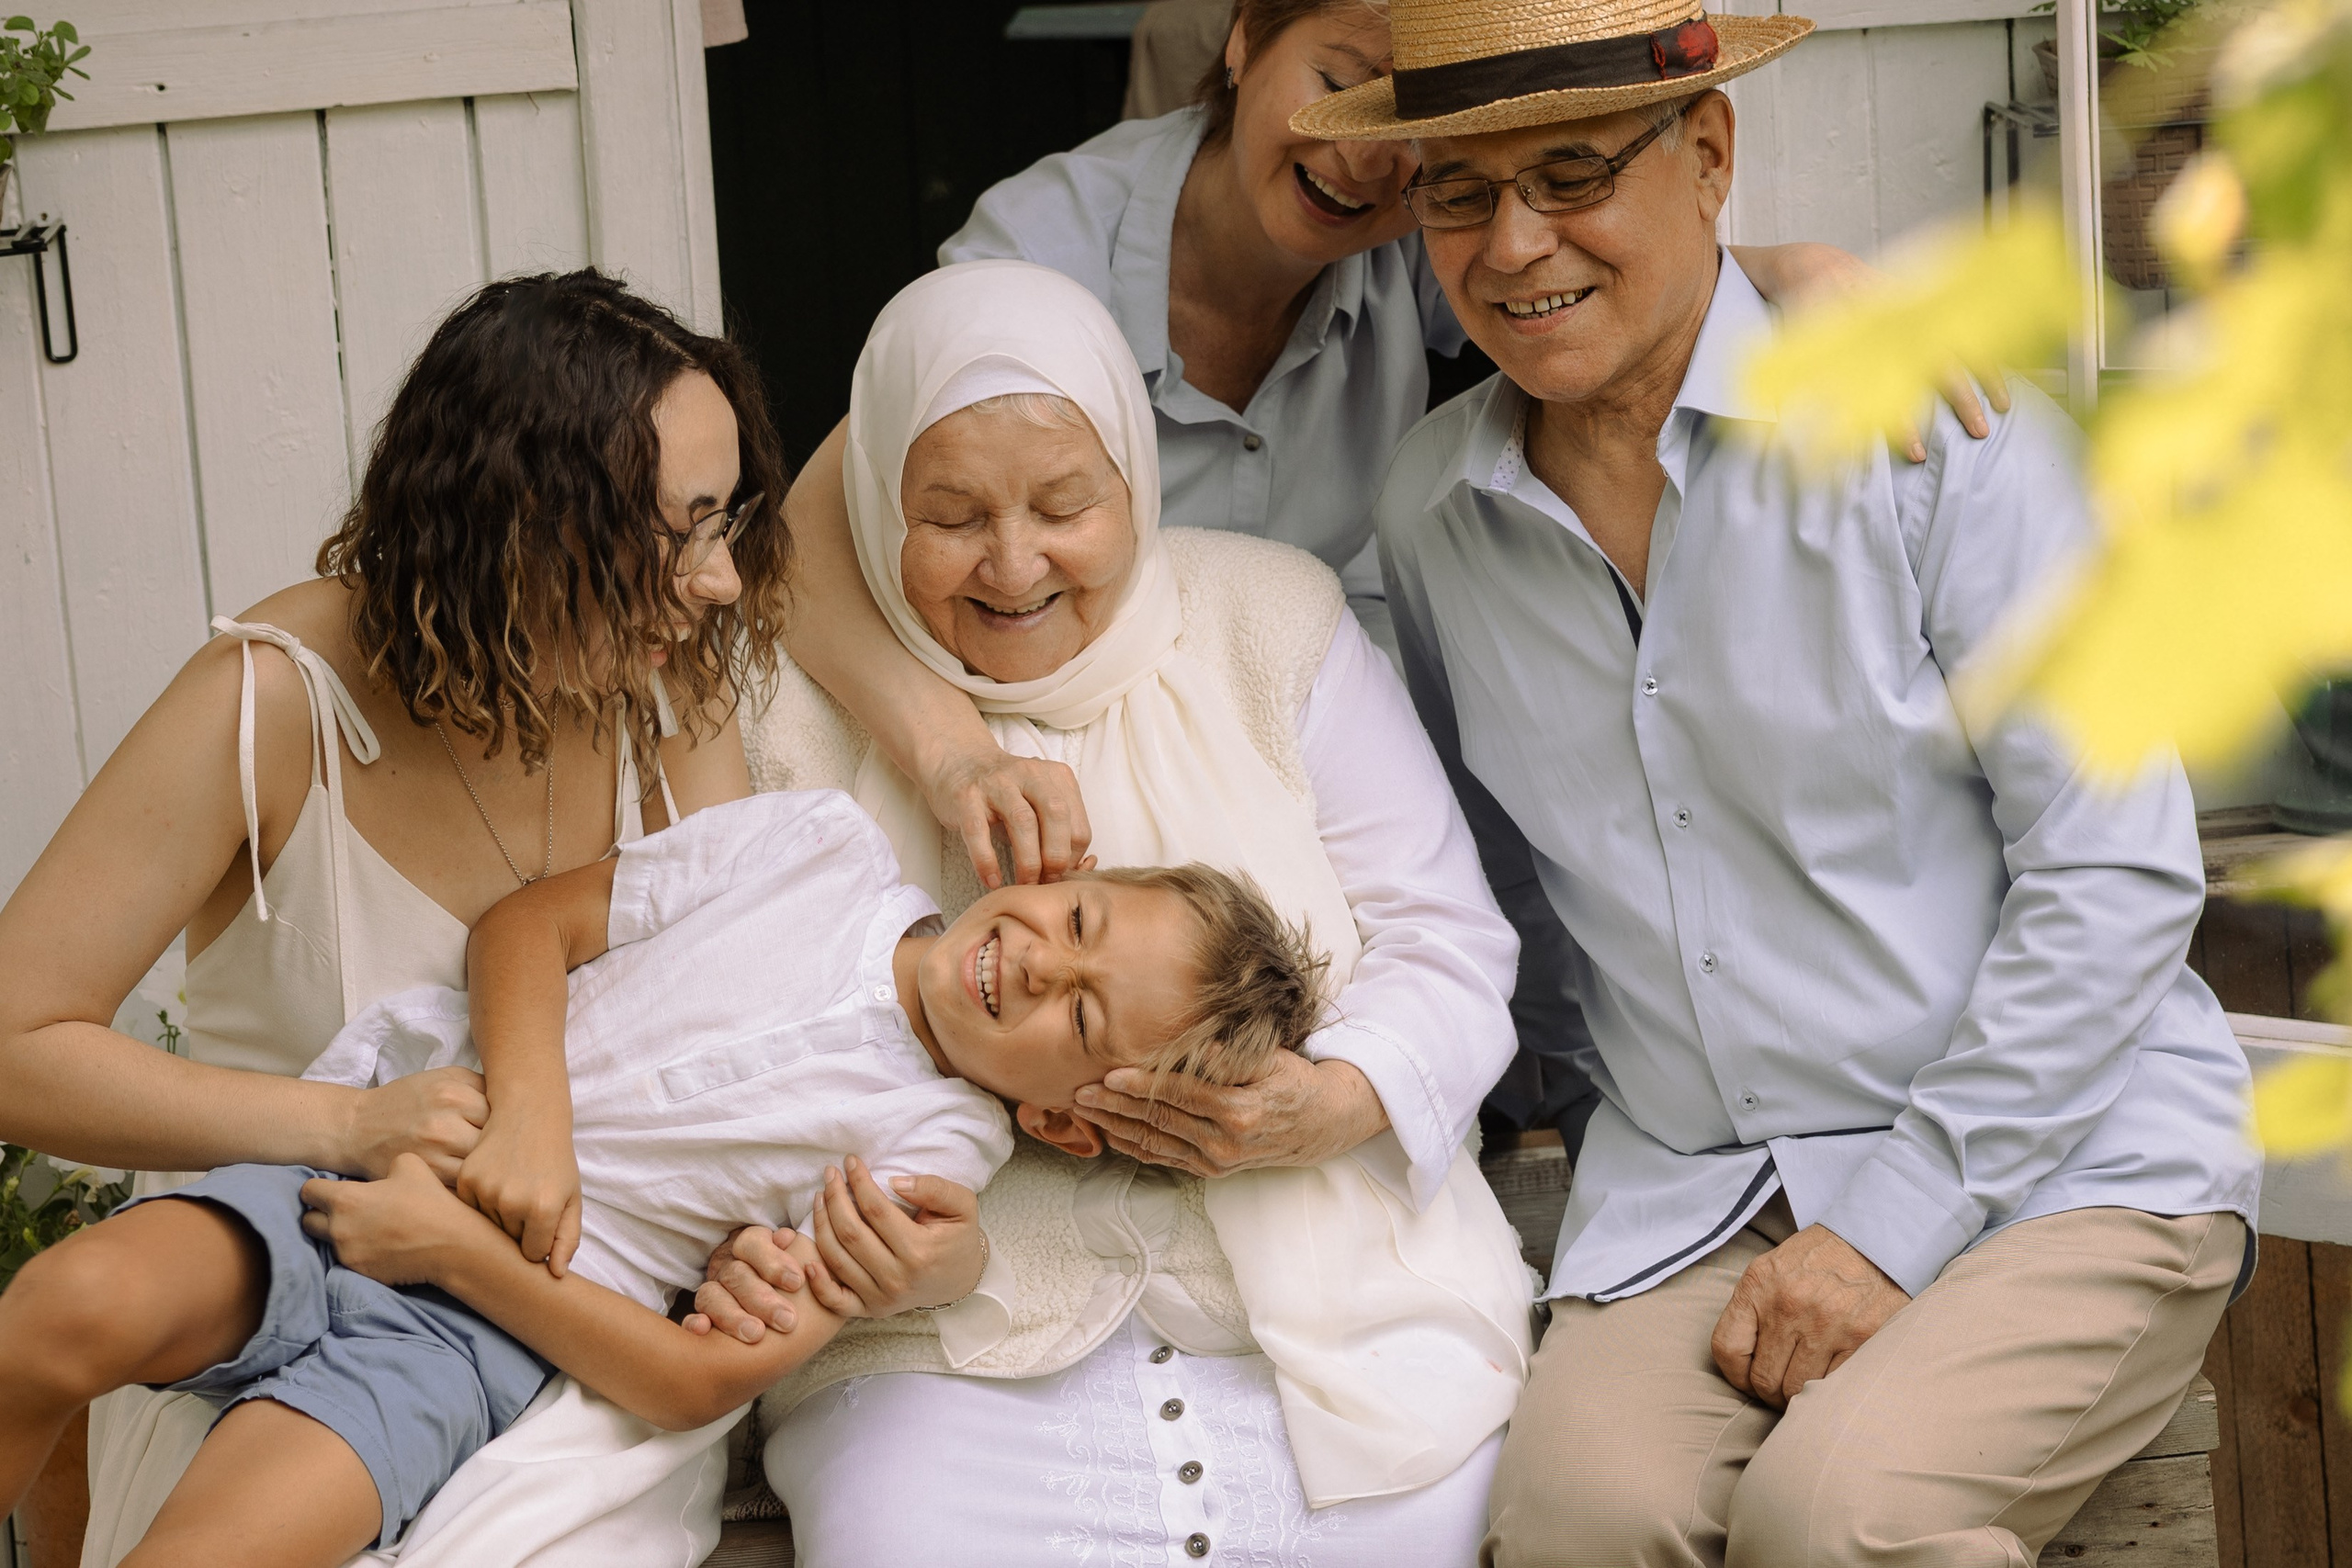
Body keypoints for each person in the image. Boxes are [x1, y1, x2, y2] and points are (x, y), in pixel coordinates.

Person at [1307, 1, 2264, 1562]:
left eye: (1571, 174)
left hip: (2066, 1165)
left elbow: (2115, 871)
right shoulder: (1431, 514)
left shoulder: (1937, 437)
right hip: (1702, 1187)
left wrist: (1889, 1227)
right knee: (1573, 1524)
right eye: (1459, 192)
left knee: (1837, 1518)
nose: (1514, 243)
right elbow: (1506, 899)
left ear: (1710, 154)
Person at [785, 0, 1996, 1153]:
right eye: (1338, 81)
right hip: (1073, 799)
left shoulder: (1416, 233)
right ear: (1245, 38)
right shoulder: (1044, 251)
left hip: (1323, 754)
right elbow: (830, 512)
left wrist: (1775, 274)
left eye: (1407, 122)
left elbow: (1572, 265)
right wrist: (955, 755)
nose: (1367, 159)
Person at [707, 259, 1532, 1565]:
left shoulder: (1267, 617)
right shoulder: (783, 705)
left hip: (1325, 1298)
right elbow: (708, 1036)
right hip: (943, 1337)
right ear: (876, 508)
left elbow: (1450, 942)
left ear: (1136, 481)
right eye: (951, 515)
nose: (1014, 563)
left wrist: (1336, 1100)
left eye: (1063, 505)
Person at [0, 269, 819, 1565]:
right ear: (518, 523)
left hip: (546, 1350)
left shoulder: (672, 703)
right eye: (679, 532)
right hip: (259, 1282)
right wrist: (342, 1125)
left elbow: (743, 1043)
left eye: (729, 522)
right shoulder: (275, 703)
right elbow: (14, 1044)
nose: (719, 581)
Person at [0, 782, 1330, 1566]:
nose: (1040, 962)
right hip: (386, 1149)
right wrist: (530, 1122)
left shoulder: (935, 1159)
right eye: (1079, 920)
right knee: (59, 1314)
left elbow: (698, 1381)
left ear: (1070, 1125)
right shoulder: (820, 844)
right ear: (1071, 875)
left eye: (1082, 1018)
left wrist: (457, 1252)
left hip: (468, 1336)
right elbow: (530, 924)